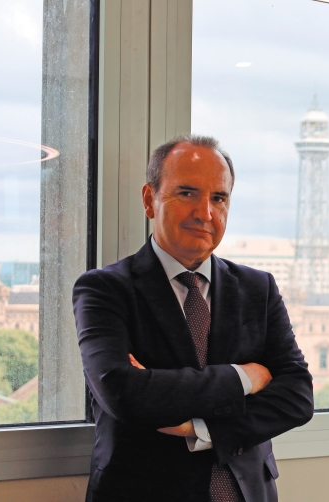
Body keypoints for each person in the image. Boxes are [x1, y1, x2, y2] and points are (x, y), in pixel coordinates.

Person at [72, 134, 314, 501]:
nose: (205, 213)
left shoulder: (257, 288)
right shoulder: (104, 289)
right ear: (149, 200)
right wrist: (245, 377)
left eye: (219, 198)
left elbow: (297, 395)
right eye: (187, 193)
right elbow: (124, 394)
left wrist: (200, 428)